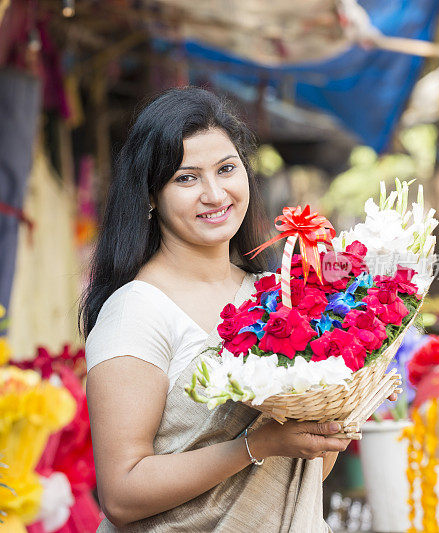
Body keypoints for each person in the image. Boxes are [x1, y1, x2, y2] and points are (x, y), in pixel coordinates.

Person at [80, 87, 356, 532]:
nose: (214, 193)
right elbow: (122, 493)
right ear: (150, 196)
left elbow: (300, 477)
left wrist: (327, 428)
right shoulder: (136, 312)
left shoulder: (274, 296)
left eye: (226, 169)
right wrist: (255, 445)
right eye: (186, 178)